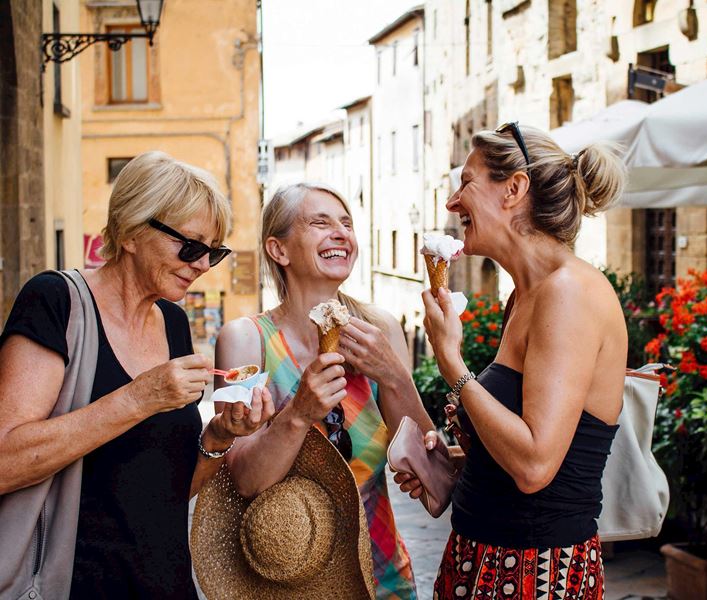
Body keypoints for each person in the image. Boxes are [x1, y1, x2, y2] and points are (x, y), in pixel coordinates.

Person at [0, 151, 274, 599]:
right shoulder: (56, 301)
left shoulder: (172, 322)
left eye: (214, 252)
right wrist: (138, 398)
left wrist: (220, 436)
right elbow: (5, 462)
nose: (203, 265)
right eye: (191, 246)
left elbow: (168, 491)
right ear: (130, 232)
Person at [395, 123, 628, 599]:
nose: (452, 202)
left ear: (514, 189)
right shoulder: (525, 295)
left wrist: (451, 362)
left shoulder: (568, 293)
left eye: (466, 182)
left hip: (535, 574)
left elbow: (535, 465)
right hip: (484, 560)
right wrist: (457, 465)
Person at [214, 182, 435, 599]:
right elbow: (240, 482)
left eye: (347, 223)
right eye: (320, 222)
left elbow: (430, 471)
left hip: (382, 579)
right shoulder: (245, 342)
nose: (341, 233)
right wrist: (298, 413)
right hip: (282, 586)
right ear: (279, 251)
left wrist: (394, 376)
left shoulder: (380, 330)